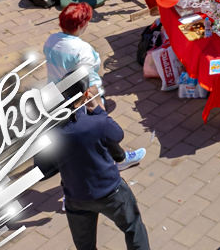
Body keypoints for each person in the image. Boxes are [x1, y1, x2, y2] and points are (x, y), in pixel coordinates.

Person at [54, 77, 149, 250]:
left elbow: (45, 165)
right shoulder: (97, 122)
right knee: (133, 228)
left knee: (85, 246)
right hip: (111, 191)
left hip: (76, 197)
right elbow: (117, 135)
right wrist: (99, 110)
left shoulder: (54, 131)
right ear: (85, 94)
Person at [43, 3, 104, 96]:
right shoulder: (83, 50)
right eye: (86, 22)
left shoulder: (51, 39)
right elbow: (89, 81)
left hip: (54, 92)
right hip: (76, 98)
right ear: (80, 27)